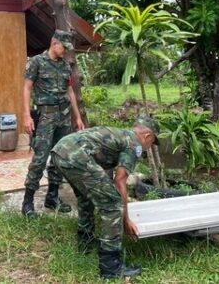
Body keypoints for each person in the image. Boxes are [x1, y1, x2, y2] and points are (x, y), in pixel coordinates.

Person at [51, 116, 160, 279]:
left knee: (86, 198)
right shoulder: (134, 144)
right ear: (147, 136)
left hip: (60, 151)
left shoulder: (121, 135)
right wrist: (126, 219)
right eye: (151, 144)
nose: (148, 147)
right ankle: (111, 267)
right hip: (77, 156)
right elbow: (120, 180)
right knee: (113, 204)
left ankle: (86, 243)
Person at [21, 29, 85, 217]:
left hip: (63, 118)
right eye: (64, 47)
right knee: (40, 159)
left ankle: (52, 197)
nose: (66, 51)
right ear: (55, 43)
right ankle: (27, 202)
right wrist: (26, 115)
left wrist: (77, 117)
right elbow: (26, 88)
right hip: (45, 118)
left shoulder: (65, 66)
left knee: (59, 157)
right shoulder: (36, 62)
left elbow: (70, 91)